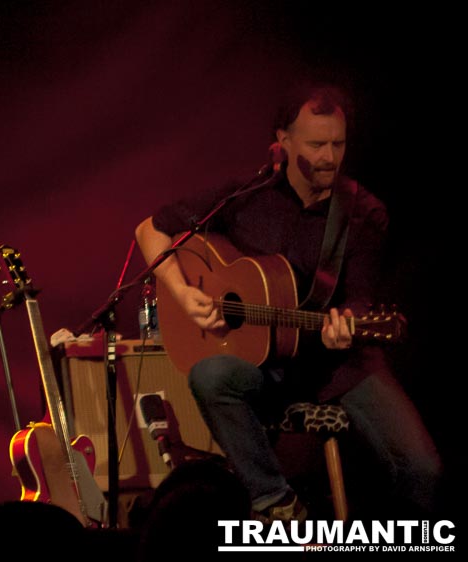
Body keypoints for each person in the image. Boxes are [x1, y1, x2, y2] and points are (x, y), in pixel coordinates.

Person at [134, 84, 442, 522]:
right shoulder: (246, 196)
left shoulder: (362, 213)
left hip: (342, 366)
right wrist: (183, 294)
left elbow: (360, 298)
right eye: (316, 145)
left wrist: (348, 324)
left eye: (338, 144)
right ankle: (276, 503)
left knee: (423, 468)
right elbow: (150, 230)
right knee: (210, 374)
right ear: (284, 141)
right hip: (266, 365)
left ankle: (395, 546)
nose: (329, 157)